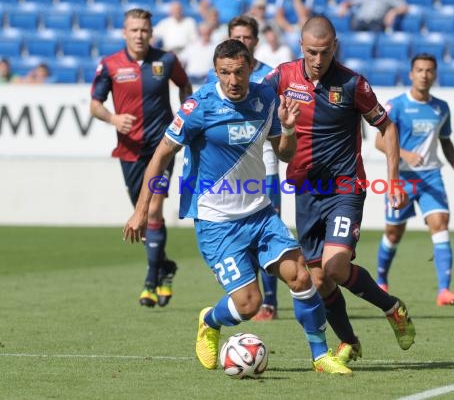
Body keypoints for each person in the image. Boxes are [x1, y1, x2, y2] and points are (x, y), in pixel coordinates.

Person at [123, 39, 352, 375]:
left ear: (250, 69)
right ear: (216, 72)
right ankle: (210, 321)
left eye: (239, 72)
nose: (233, 80)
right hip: (217, 223)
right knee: (250, 304)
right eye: (225, 73)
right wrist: (142, 210)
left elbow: (285, 154)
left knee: (301, 277)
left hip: (259, 214)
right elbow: (160, 156)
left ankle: (320, 356)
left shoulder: (266, 98)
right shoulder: (197, 106)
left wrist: (288, 128)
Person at [263, 15, 416, 364]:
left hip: (345, 187)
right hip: (305, 190)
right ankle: (350, 341)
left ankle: (392, 308)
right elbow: (253, 100)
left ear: (336, 48)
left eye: (326, 52)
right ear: (301, 47)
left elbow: (387, 128)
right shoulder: (283, 76)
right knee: (318, 279)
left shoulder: (352, 84)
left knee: (333, 266)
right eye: (313, 52)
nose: (319, 60)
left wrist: (393, 178)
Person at [90, 8, 193, 308]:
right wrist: (113, 118)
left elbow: (185, 86)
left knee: (153, 210)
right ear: (125, 33)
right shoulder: (110, 65)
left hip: (161, 149)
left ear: (151, 32)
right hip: (129, 151)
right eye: (134, 30)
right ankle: (166, 267)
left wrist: (185, 113)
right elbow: (95, 104)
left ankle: (150, 281)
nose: (139, 35)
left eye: (144, 30)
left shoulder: (167, 60)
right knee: (142, 213)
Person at [375, 53, 454, 307]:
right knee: (393, 233)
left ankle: (444, 290)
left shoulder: (441, 107)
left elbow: (446, 141)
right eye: (419, 70)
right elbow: (378, 141)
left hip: (431, 176)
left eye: (429, 70)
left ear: (434, 74)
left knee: (440, 223)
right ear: (411, 74)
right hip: (402, 178)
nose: (424, 75)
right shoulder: (396, 106)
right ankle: (381, 280)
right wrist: (404, 153)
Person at [203, 15, 280, 321]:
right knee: (246, 237)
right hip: (231, 177)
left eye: (248, 38)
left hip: (267, 165)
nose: (243, 41)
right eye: (238, 37)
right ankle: (252, 296)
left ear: (255, 43)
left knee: (270, 231)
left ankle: (270, 301)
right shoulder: (217, 83)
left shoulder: (269, 78)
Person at [336, 0, 408, 32]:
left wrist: (393, 12)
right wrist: (344, 5)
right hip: (361, 22)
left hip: (376, 24)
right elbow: (352, 2)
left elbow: (404, 7)